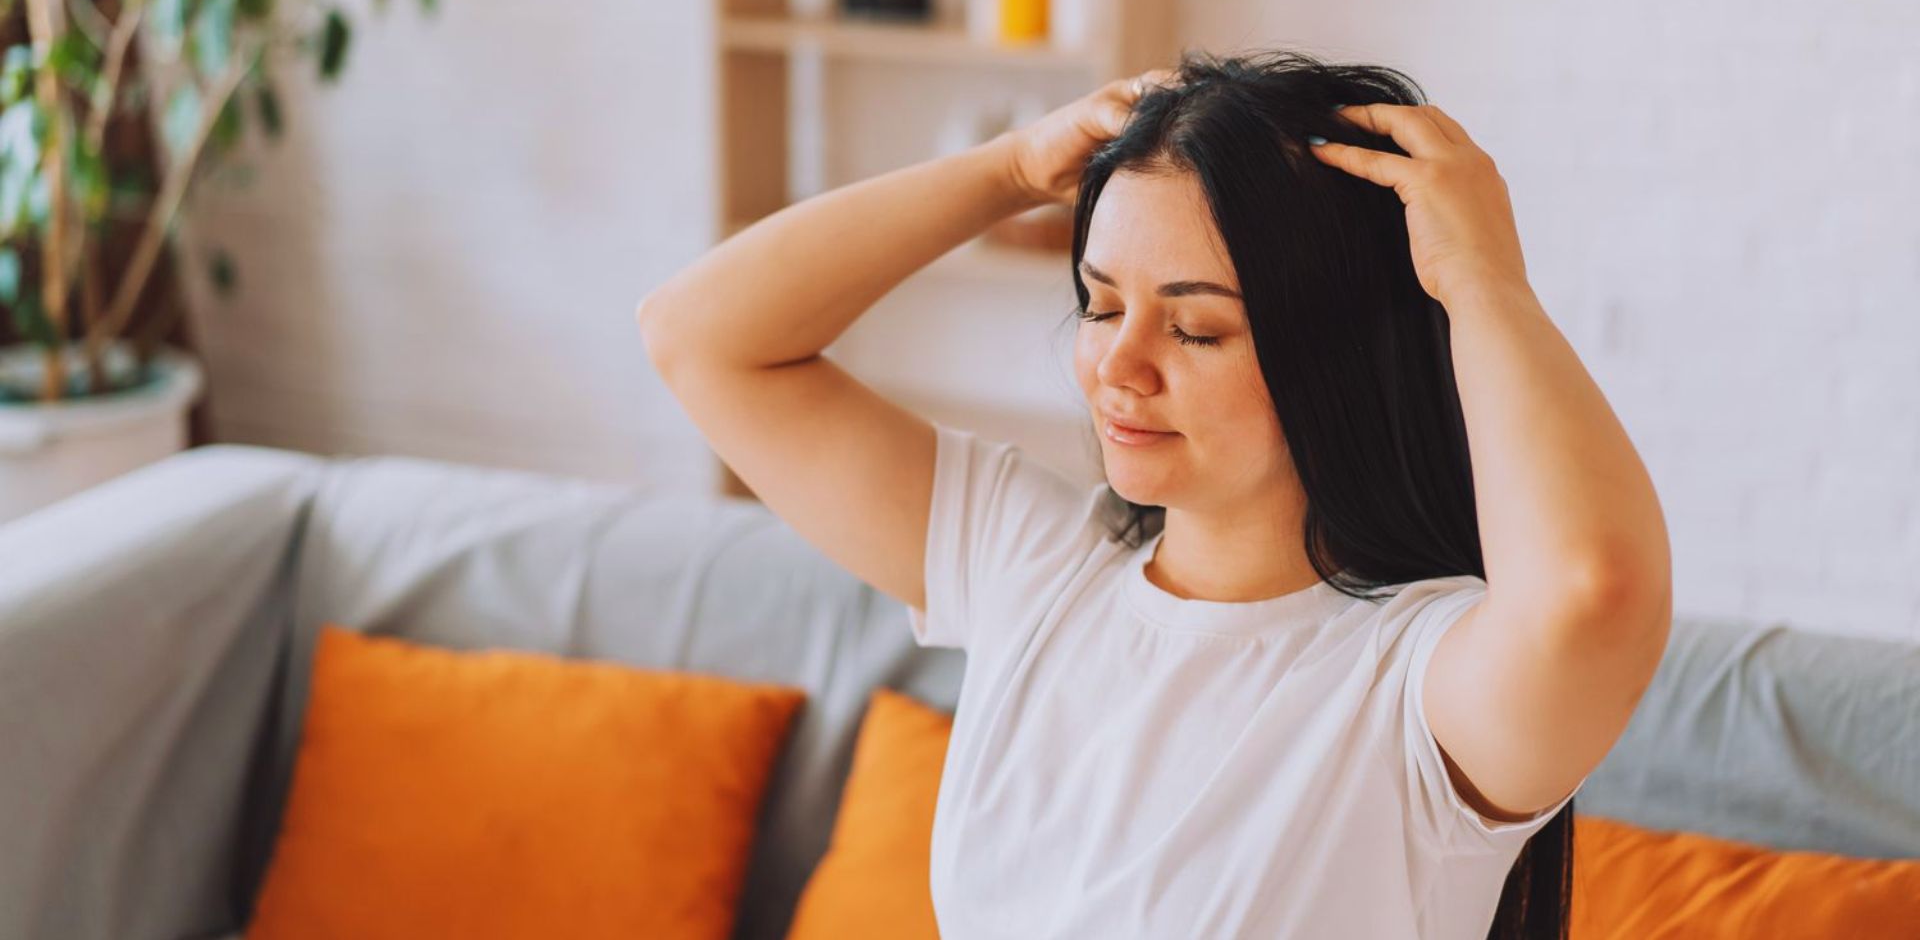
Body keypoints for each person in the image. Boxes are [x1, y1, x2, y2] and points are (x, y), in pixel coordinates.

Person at [637, 48, 1672, 939]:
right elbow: (702, 338)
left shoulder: (1414, 688)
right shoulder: (1035, 566)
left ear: (1338, 358)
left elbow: (1594, 591)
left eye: (1195, 328)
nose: (1117, 367)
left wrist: (1481, 281)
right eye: (1100, 305)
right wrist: (1007, 168)